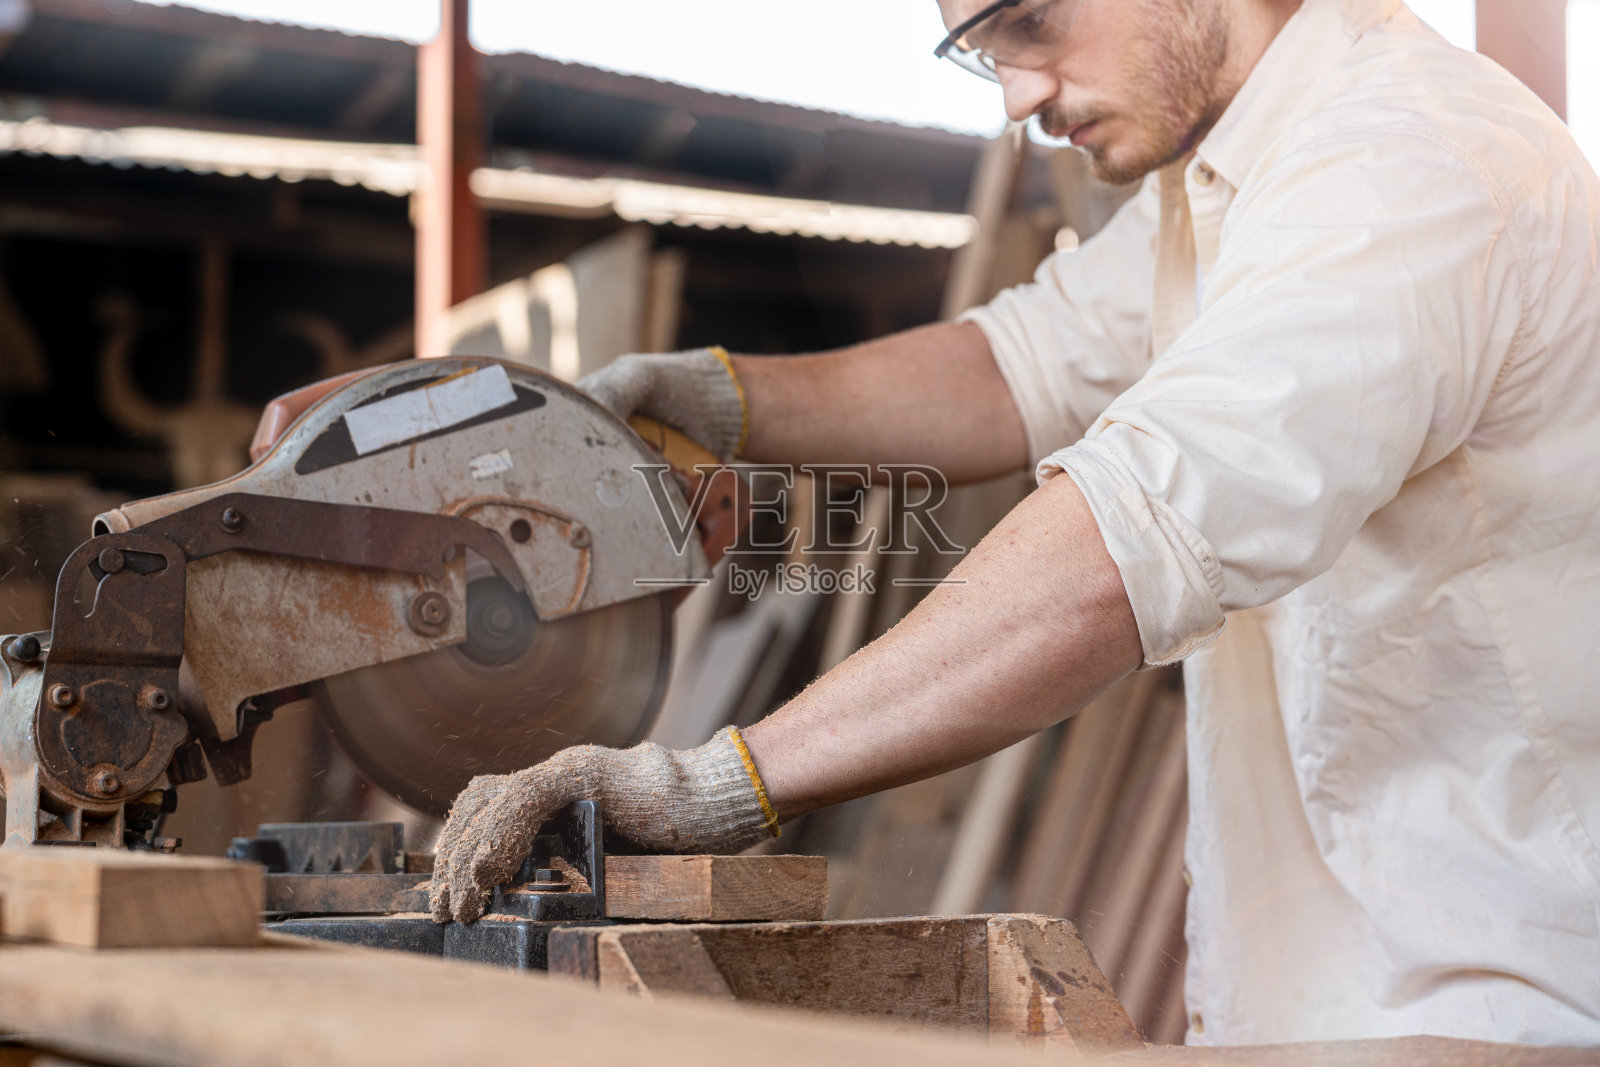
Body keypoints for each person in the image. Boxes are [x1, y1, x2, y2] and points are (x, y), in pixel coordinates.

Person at [427, 0, 1600, 1046]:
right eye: (983, 53)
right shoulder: (1235, 179)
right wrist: (714, 397)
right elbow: (1016, 365)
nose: (1018, 99)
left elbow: (1124, 542)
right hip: (1343, 1000)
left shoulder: (1410, 164)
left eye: (1031, 24)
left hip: (1505, 1003)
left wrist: (714, 783)